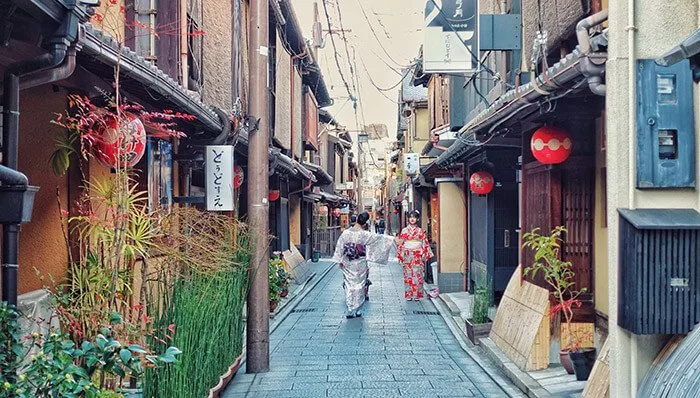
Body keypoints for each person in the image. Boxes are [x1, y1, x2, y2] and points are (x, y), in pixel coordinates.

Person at [332, 211, 398, 318]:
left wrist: (340, 260)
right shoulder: (365, 234)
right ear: (365, 223)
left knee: (349, 285)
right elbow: (379, 238)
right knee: (361, 285)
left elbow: (340, 246)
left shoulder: (346, 233)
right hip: (360, 262)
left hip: (348, 261)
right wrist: (392, 239)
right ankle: (358, 309)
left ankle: (350, 308)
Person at [397, 210, 433, 301]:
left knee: (418, 275)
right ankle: (409, 294)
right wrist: (401, 256)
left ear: (417, 219)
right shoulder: (404, 230)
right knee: (408, 275)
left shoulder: (420, 231)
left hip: (417, 255)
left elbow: (424, 243)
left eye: (414, 217)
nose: (412, 219)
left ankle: (417, 294)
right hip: (407, 255)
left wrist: (424, 254)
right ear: (408, 219)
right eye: (410, 217)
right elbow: (401, 244)